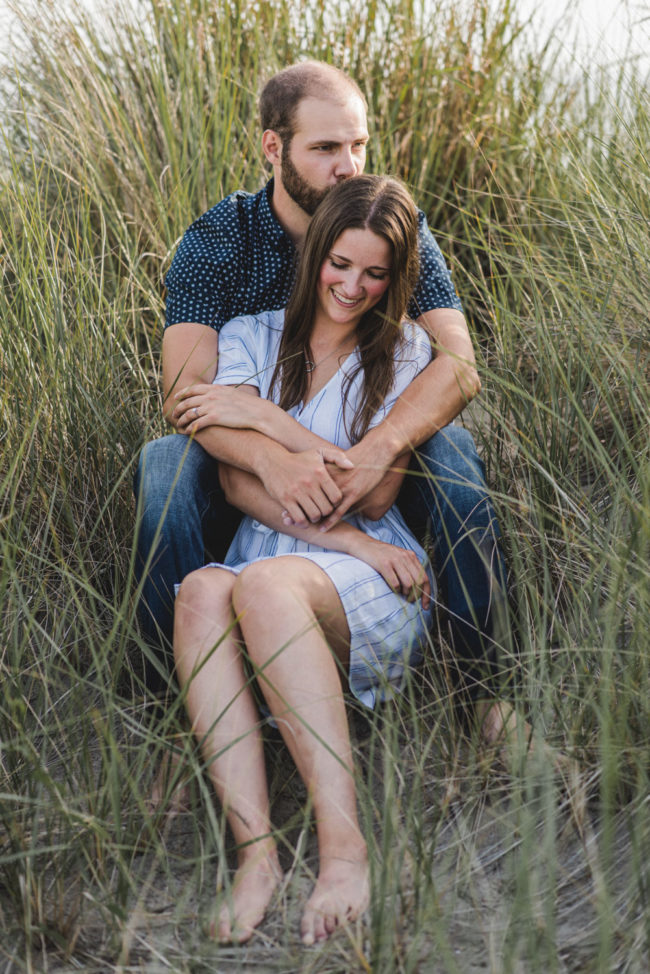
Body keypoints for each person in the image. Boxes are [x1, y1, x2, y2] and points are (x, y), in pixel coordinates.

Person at [134, 60, 508, 725]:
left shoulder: (391, 225)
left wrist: (382, 446)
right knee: (165, 465)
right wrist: (274, 459)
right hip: (244, 473)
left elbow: (457, 362)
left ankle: (483, 699)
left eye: (359, 144)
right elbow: (187, 397)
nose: (349, 165)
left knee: (451, 451)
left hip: (369, 467)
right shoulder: (220, 242)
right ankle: (172, 716)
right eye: (327, 147)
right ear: (274, 148)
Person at [172, 174, 435, 945]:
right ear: (316, 252)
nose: (354, 286)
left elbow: (375, 494)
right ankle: (256, 857)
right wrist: (331, 507)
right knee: (200, 591)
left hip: (371, 577)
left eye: (376, 272)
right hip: (296, 553)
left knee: (265, 586)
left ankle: (344, 851)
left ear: (395, 277)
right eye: (340, 264)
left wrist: (259, 416)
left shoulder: (405, 350)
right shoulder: (251, 335)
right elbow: (232, 478)